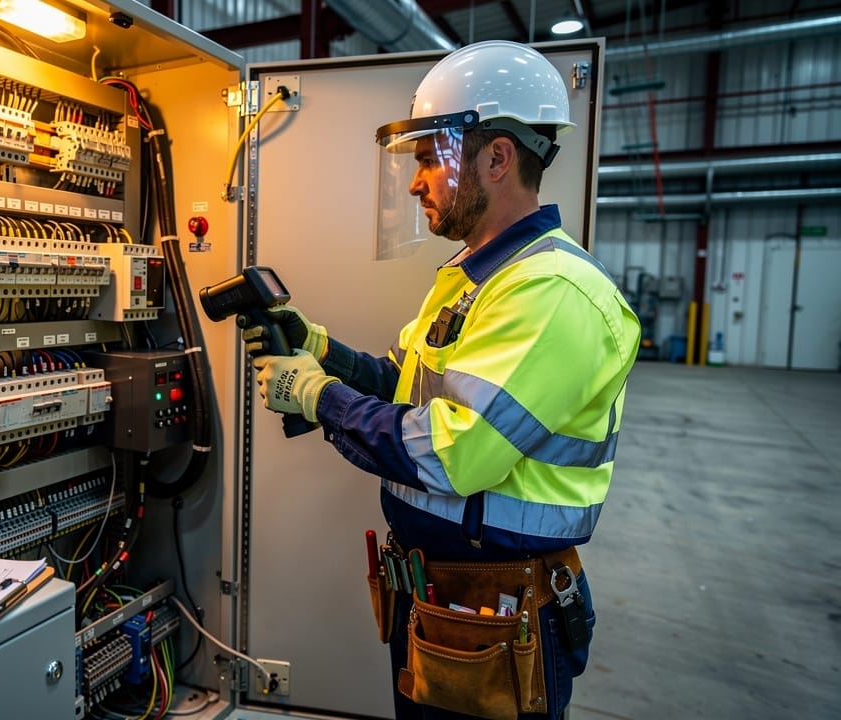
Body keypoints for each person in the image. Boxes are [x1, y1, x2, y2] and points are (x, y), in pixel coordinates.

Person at [242, 41, 641, 720]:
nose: (415, 181)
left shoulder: (551, 293)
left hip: (498, 613)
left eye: (429, 158)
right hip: (448, 602)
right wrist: (323, 352)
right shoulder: (473, 277)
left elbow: (452, 452)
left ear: (496, 158)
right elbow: (405, 385)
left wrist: (316, 395)